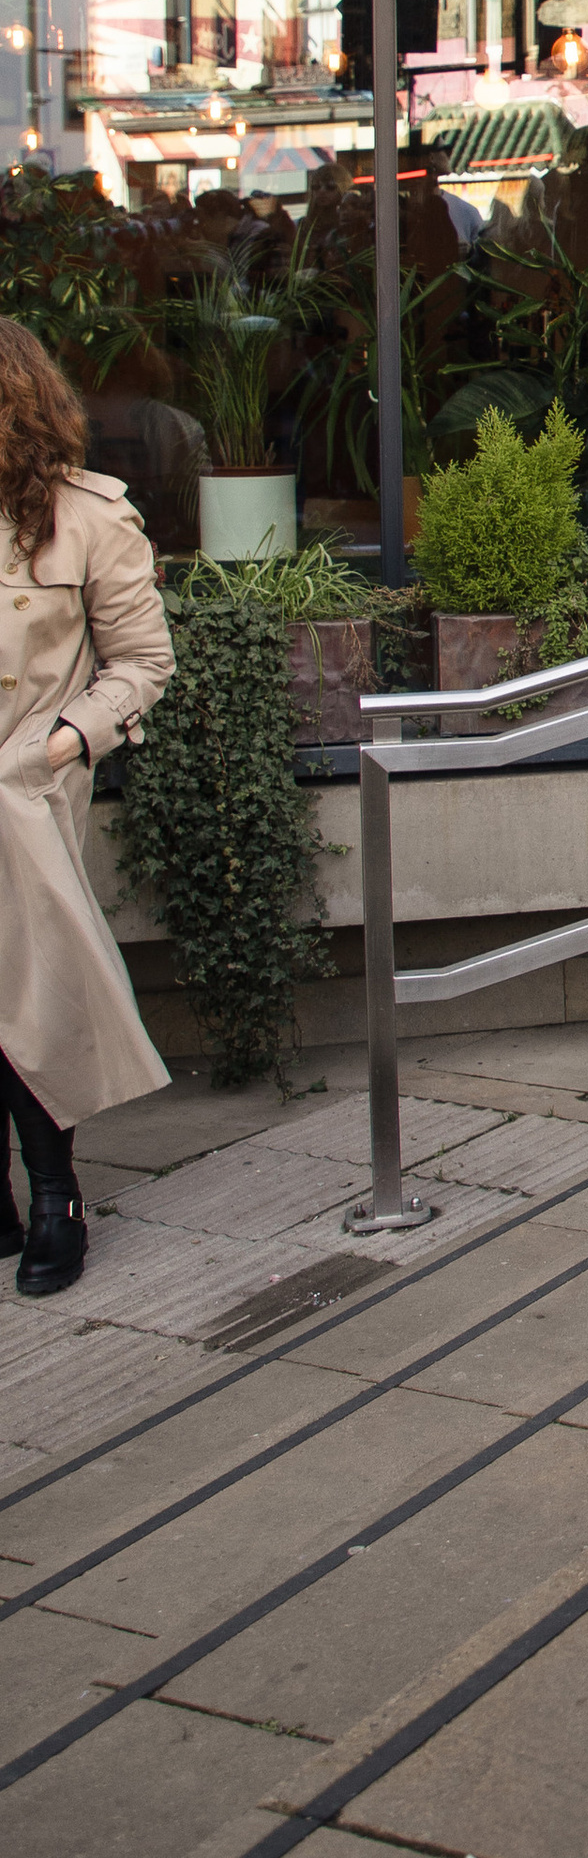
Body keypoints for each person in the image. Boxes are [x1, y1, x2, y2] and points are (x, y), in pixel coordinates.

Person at [0, 322, 174, 1297]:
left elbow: (142, 663)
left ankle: (54, 1194)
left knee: (34, 993)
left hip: (24, 793)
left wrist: (61, 746)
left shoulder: (91, 517)